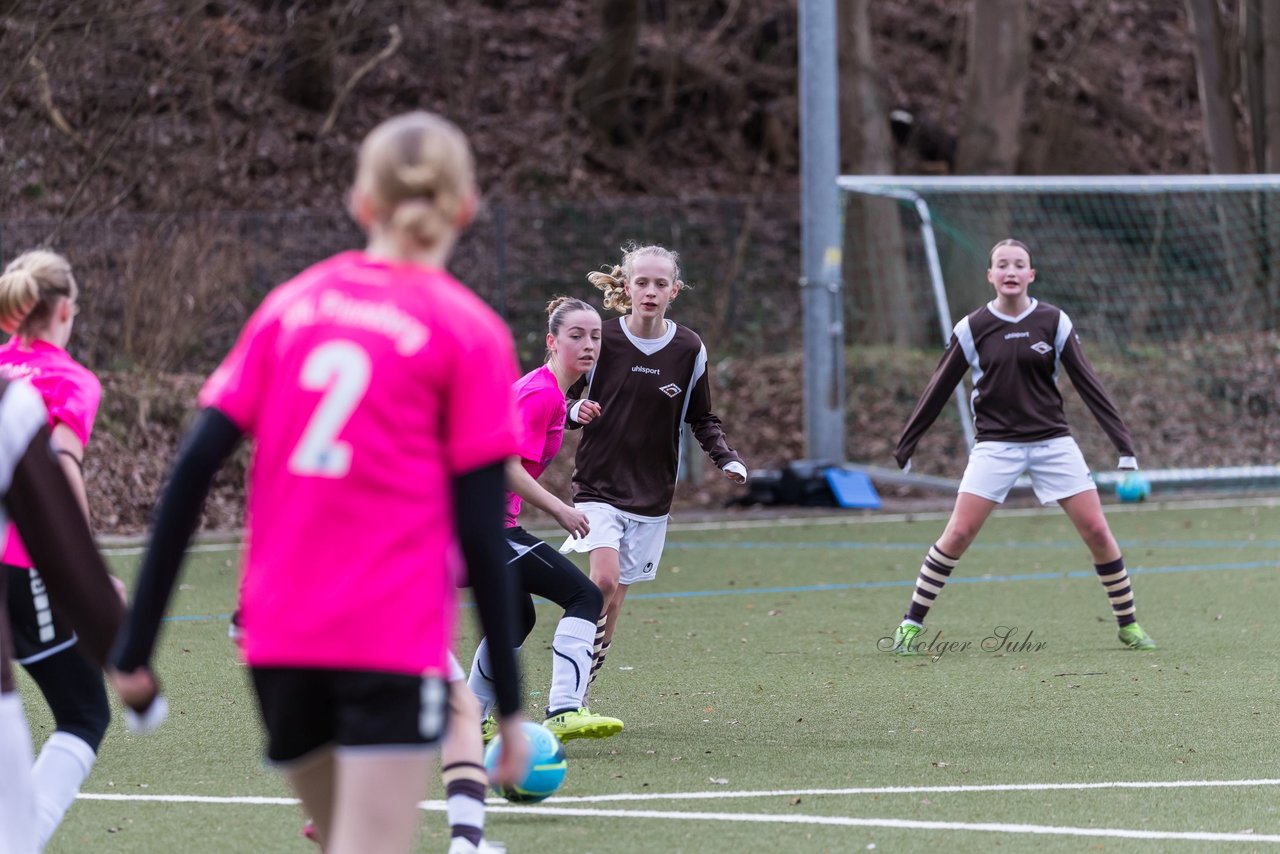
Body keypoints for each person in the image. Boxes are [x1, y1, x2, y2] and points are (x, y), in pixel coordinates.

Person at [109, 110, 529, 854]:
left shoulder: (291, 306)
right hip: (387, 638)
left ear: (360, 203)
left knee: (342, 841)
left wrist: (136, 645)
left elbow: (191, 472)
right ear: (465, 207)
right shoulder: (469, 332)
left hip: (278, 639)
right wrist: (517, 710)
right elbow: (480, 525)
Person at [888, 238, 1156, 655]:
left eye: (1019, 265)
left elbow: (1090, 385)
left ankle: (1129, 625)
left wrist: (1124, 445)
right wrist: (907, 444)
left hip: (1053, 443)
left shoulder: (1054, 321)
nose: (1010, 272)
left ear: (1031, 275)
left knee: (1098, 530)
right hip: (995, 446)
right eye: (1002, 265)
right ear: (990, 276)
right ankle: (910, 625)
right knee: (957, 533)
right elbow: (937, 388)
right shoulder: (972, 328)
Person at [561, 244, 747, 700]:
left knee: (616, 598)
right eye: (641, 282)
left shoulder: (689, 348)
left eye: (660, 284)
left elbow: (701, 417)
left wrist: (726, 457)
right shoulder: (600, 338)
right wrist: (573, 411)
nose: (649, 291)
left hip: (651, 494)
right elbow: (553, 395)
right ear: (626, 287)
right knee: (601, 580)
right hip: (597, 486)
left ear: (674, 291)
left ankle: (584, 686)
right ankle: (569, 691)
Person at [0, 249, 123, 851]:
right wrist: (90, 579)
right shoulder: (72, 379)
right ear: (66, 310)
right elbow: (64, 474)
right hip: (23, 565)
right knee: (83, 713)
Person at [468, 297, 624, 743]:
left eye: (595, 336)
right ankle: (564, 709)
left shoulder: (548, 392)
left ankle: (467, 715)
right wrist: (559, 508)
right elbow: (505, 464)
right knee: (584, 596)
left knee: (517, 618)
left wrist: (572, 413)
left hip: (483, 523)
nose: (589, 344)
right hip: (480, 526)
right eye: (576, 336)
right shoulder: (540, 393)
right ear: (552, 342)